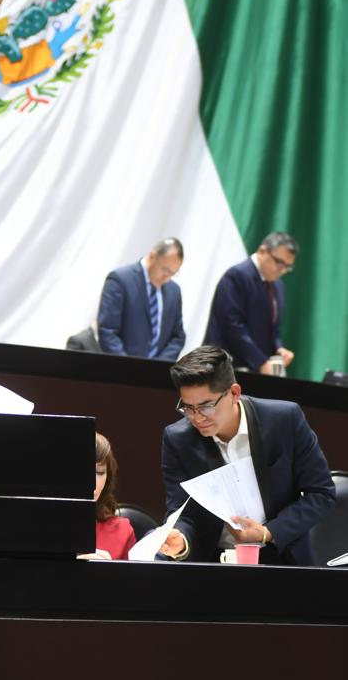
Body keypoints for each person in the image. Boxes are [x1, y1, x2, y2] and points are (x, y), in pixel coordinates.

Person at [158, 345, 334, 565]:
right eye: (187, 407)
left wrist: (268, 532)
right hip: (213, 562)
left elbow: (320, 493)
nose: (197, 418)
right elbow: (181, 512)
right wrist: (181, 539)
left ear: (234, 393)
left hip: (282, 557)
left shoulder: (284, 420)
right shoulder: (178, 439)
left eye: (206, 406)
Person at [204, 231, 298, 373]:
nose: (282, 270)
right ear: (262, 251)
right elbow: (232, 326)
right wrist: (260, 362)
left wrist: (279, 348)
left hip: (257, 369)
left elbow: (273, 329)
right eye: (279, 262)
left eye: (287, 266)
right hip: (225, 368)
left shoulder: (278, 285)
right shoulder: (237, 275)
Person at [97, 238, 185, 360]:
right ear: (153, 256)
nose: (167, 278)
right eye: (166, 270)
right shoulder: (120, 280)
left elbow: (177, 337)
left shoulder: (174, 291)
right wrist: (129, 367)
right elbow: (107, 331)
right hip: (121, 368)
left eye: (173, 273)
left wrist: (158, 365)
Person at [82, 432, 136, 560]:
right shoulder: (39, 526)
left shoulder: (122, 532)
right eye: (81, 470)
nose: (91, 482)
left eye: (99, 472)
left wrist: (108, 570)